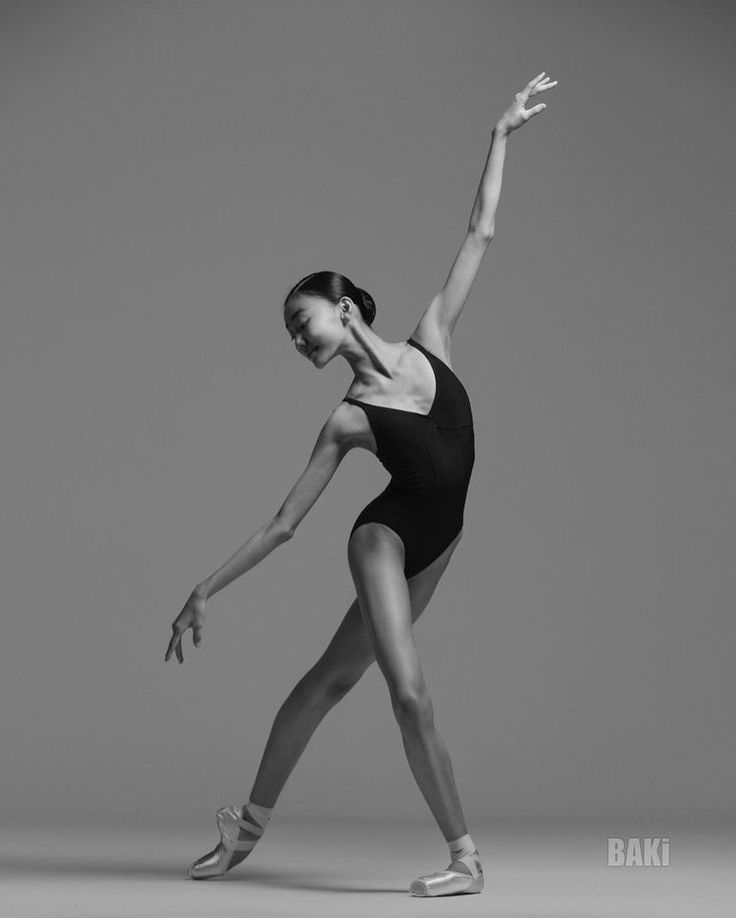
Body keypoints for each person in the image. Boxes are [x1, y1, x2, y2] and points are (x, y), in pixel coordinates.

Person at [165, 72, 557, 898]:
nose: (295, 340)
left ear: (344, 307)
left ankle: (244, 829)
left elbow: (479, 232)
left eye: (299, 322)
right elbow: (282, 524)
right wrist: (204, 589)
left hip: (440, 540)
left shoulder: (435, 337)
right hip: (385, 541)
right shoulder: (348, 420)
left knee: (327, 680)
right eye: (288, 335)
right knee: (407, 693)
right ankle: (466, 860)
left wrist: (500, 134)